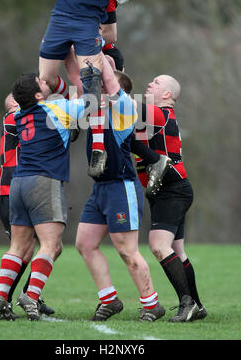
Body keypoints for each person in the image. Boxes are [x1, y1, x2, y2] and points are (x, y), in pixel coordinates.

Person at [0, 61, 105, 321]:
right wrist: (92, 79)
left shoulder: (19, 115)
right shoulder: (55, 108)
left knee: (17, 247)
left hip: (18, 183)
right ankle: (31, 296)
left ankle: (2, 298)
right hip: (45, 181)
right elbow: (92, 104)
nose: (47, 81)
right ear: (38, 95)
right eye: (42, 83)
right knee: (51, 245)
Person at [72, 55, 165, 322]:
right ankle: (109, 300)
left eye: (102, 88)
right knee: (85, 244)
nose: (97, 91)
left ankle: (151, 304)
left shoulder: (124, 109)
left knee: (126, 250)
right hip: (100, 189)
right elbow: (78, 80)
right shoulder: (95, 111)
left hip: (120, 186)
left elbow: (111, 81)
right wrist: (77, 51)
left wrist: (97, 51)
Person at [39, 0, 131, 175]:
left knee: (92, 84)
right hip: (60, 18)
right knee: (45, 80)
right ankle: (71, 112)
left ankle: (98, 149)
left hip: (89, 22)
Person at [135, 75, 206, 322]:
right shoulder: (154, 116)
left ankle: (187, 305)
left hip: (172, 190)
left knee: (158, 245)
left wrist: (104, 81)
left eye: (156, 82)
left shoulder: (159, 114)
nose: (149, 84)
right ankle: (196, 304)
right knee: (177, 250)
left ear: (167, 95)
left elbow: (123, 106)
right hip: (172, 189)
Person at [0, 93, 54, 319]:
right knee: (26, 248)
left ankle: (30, 295)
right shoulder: (13, 117)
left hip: (27, 187)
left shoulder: (25, 118)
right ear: (12, 104)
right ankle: (7, 300)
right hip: (11, 190)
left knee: (45, 247)